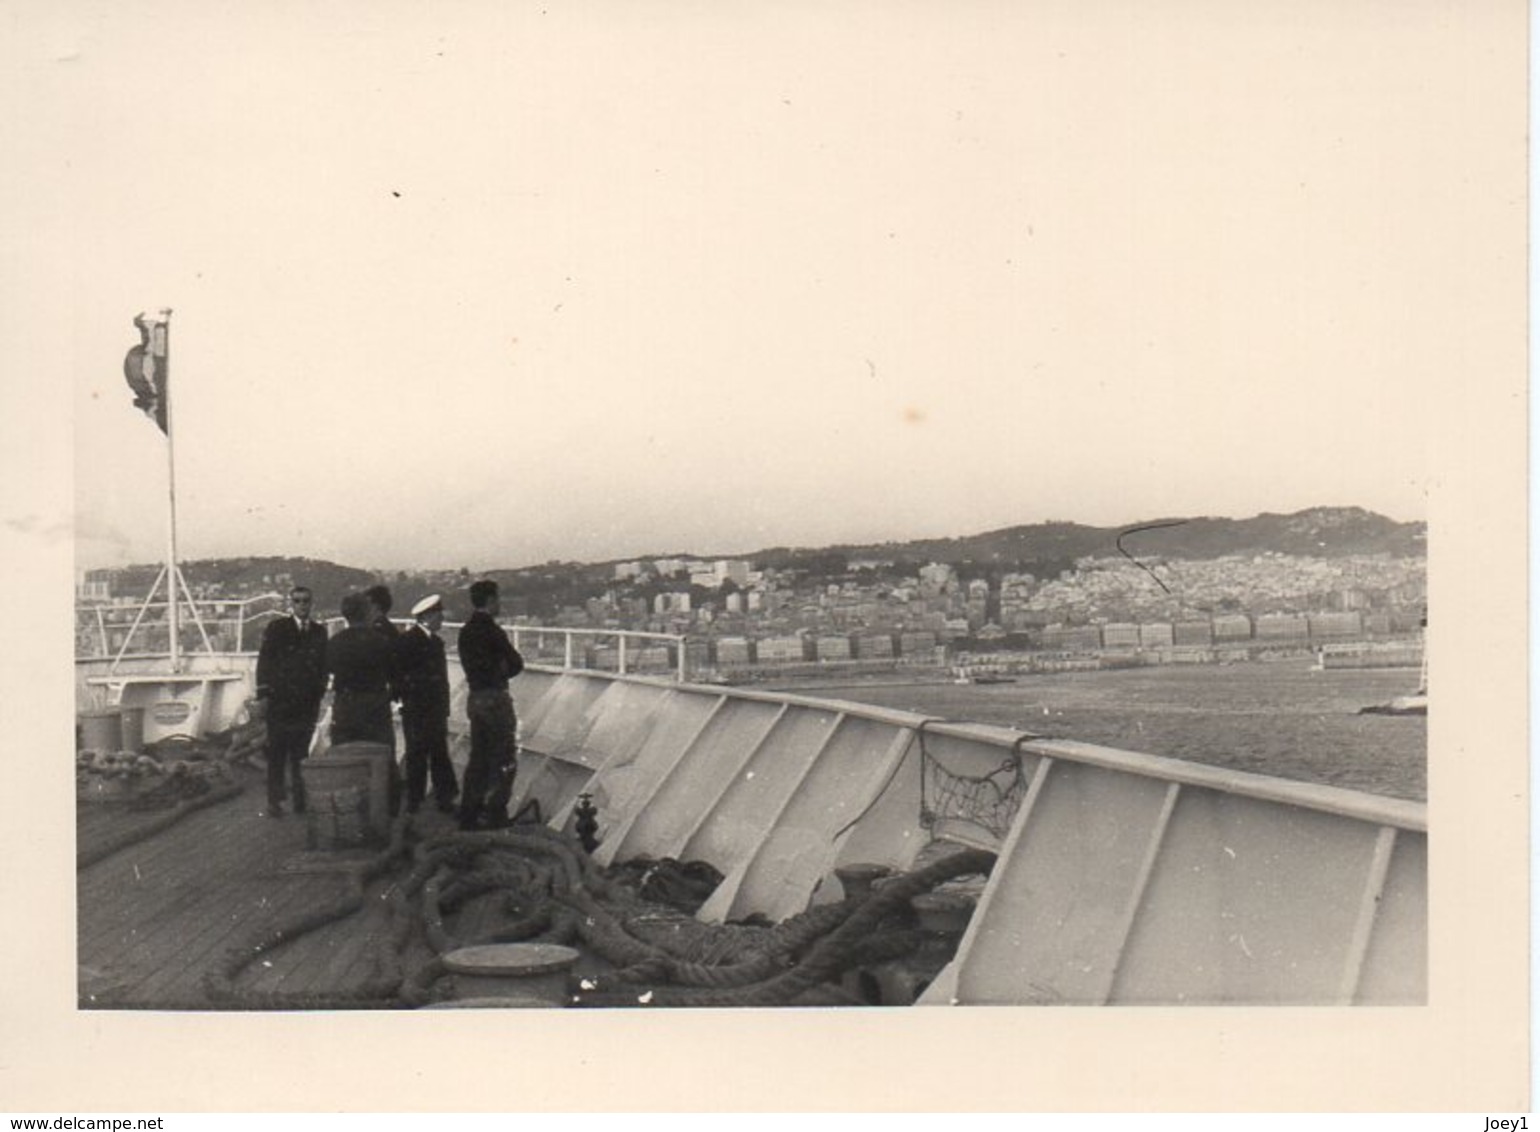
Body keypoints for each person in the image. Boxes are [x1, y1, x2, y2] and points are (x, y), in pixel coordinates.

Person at [254, 586, 328, 818]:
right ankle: (274, 802)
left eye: (306, 601)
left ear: (311, 603)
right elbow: (264, 662)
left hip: (306, 703)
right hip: (280, 703)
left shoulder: (319, 632)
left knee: (301, 754)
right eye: (297, 601)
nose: (302, 605)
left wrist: (319, 691)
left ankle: (300, 801)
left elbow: (323, 666)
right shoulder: (277, 629)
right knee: (277, 753)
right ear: (291, 604)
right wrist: (264, 695)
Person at [456, 579, 524, 830]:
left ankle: (469, 814)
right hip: (496, 699)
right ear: (491, 600)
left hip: (475, 698)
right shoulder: (493, 632)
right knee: (504, 757)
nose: (500, 603)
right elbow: (516, 663)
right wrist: (501, 670)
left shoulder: (465, 631)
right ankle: (495, 814)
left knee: (479, 757)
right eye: (498, 599)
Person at [396, 594, 457, 815]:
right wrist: (408, 698)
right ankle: (415, 801)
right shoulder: (408, 641)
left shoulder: (436, 642)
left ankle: (444, 799)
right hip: (416, 708)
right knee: (417, 755)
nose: (442, 619)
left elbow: (442, 679)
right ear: (427, 616)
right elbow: (399, 674)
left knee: (439, 753)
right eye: (439, 615)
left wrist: (444, 707)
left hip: (435, 709)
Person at [327, 592, 396, 749]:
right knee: (380, 757)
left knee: (345, 757)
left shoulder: (335, 642)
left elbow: (328, 668)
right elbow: (394, 673)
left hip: (345, 707)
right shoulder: (381, 641)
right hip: (376, 706)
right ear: (366, 612)